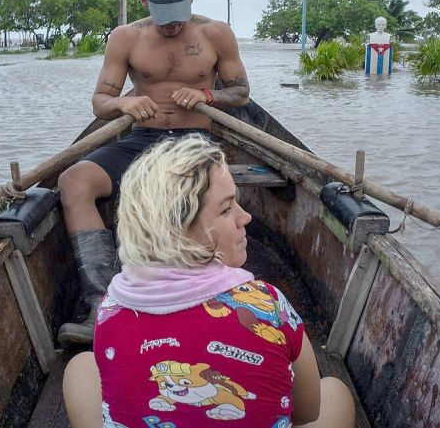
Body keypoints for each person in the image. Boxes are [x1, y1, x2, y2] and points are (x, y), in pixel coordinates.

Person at [62, 135, 356, 427]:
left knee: (80, 367)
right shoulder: (268, 305)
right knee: (335, 393)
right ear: (180, 230)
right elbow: (307, 412)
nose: (246, 217)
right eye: (227, 209)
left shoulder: (111, 307)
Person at [56, 0, 250, 345]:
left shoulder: (216, 34)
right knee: (73, 181)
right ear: (145, 2)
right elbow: (100, 102)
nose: (172, 24)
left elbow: (241, 93)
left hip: (196, 144)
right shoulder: (125, 37)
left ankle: (212, 296)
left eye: (178, 13)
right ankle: (102, 303)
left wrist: (206, 94)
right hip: (142, 141)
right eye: (163, 15)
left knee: (190, 194)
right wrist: (124, 105)